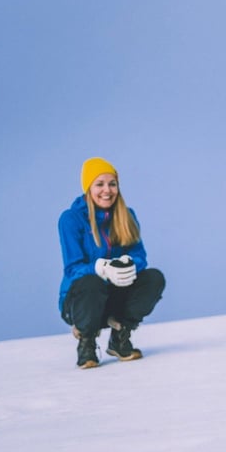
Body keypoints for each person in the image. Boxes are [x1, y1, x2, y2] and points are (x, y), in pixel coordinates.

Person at [58, 157, 166, 368]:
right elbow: (72, 268)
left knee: (153, 278)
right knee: (92, 282)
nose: (107, 190)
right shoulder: (71, 219)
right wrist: (101, 268)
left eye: (112, 184)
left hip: (113, 297)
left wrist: (127, 262)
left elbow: (140, 256)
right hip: (81, 301)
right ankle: (87, 342)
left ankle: (120, 336)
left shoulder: (127, 215)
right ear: (88, 188)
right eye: (99, 184)